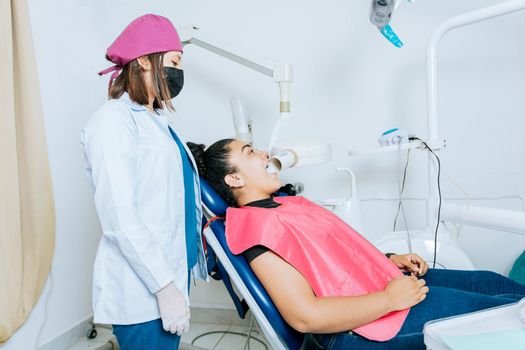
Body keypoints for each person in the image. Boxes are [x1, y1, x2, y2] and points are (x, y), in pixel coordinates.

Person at [188, 139, 525, 349]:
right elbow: (305, 317)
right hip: (364, 323)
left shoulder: (286, 204)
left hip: (383, 285)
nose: (263, 152)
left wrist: (389, 259)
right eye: (250, 152)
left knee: (493, 284)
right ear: (234, 178)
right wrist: (388, 298)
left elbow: (332, 258)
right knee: (508, 314)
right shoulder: (256, 233)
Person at [81, 14, 207, 350]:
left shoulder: (158, 122)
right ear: (144, 62)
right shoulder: (112, 122)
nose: (179, 73)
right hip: (144, 290)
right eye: (174, 62)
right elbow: (120, 218)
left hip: (169, 276)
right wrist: (164, 287)